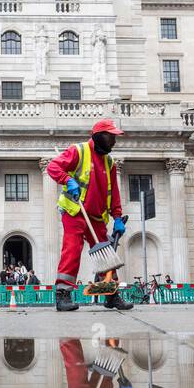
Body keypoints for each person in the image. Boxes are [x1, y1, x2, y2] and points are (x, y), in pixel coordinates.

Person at [45, 119, 132, 311]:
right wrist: (68, 180)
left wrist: (117, 217)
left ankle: (111, 296)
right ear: (100, 136)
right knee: (72, 250)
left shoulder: (109, 162)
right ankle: (63, 295)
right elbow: (53, 167)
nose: (114, 141)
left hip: (97, 216)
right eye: (111, 137)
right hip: (75, 211)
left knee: (106, 255)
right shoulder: (79, 151)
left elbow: (113, 193)